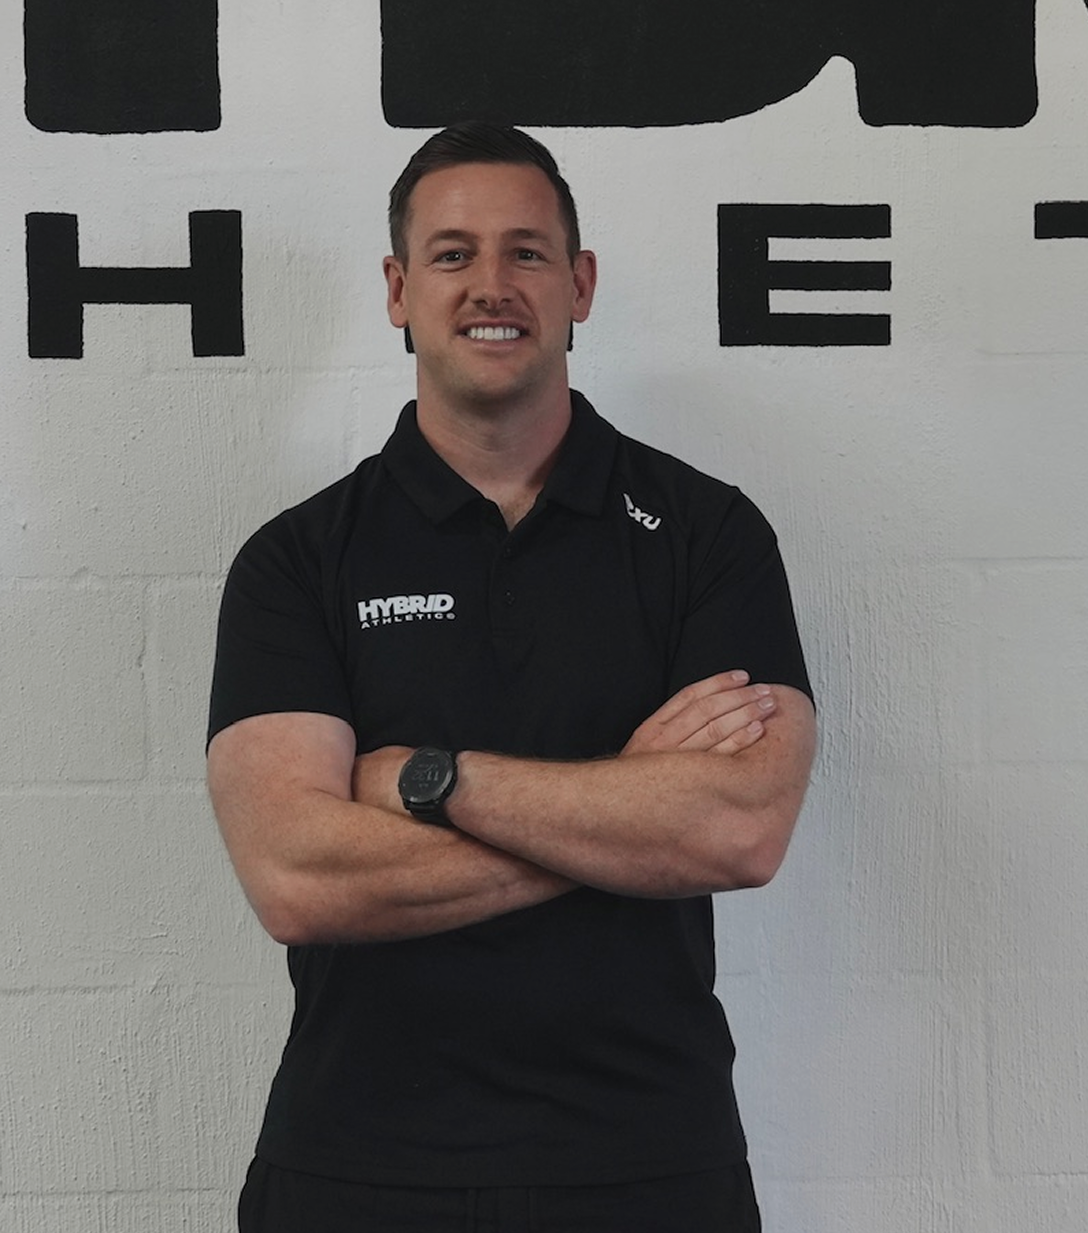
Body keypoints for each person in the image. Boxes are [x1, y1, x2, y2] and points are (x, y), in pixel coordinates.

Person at [205, 122, 817, 1231]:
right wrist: (629, 807)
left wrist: (428, 781)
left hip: (648, 1171)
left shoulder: (708, 536)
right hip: (358, 1173)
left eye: (528, 252)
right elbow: (297, 878)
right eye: (451, 255)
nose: (493, 284)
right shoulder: (296, 561)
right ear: (397, 290)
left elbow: (737, 833)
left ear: (580, 284)